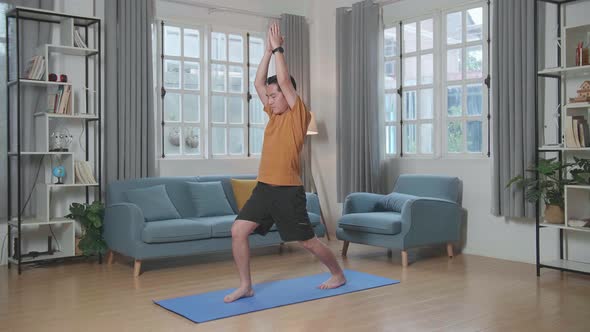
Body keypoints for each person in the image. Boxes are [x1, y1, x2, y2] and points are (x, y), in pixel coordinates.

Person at [224, 22, 346, 303]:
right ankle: (246, 285)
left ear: (288, 96)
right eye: (269, 96)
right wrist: (267, 51)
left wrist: (279, 48)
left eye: (274, 95)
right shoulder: (273, 115)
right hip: (264, 188)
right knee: (238, 230)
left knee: (307, 242)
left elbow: (285, 81)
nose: (269, 99)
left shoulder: (297, 116)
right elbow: (258, 83)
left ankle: (337, 273)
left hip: (288, 192)